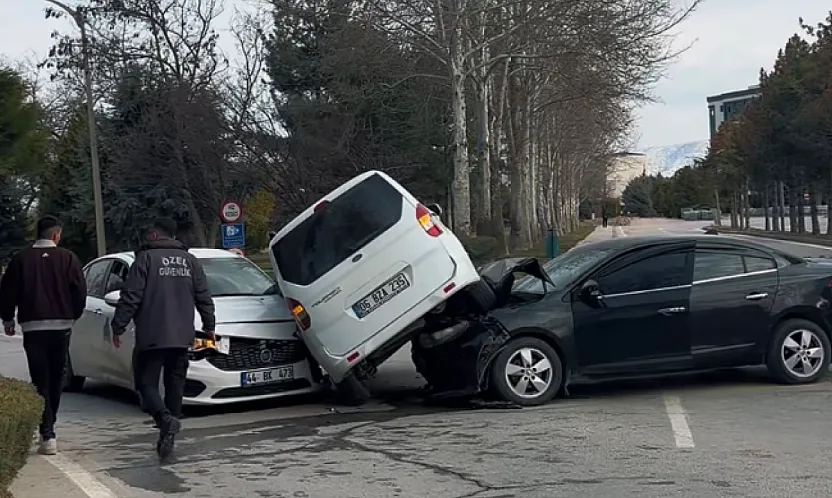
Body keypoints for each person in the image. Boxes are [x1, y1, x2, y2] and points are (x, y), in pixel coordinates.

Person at [110, 217, 215, 460]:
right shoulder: (190, 261)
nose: (147, 238)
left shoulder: (145, 260)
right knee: (175, 383)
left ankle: (164, 419)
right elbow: (203, 295)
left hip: (152, 335)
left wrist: (118, 326)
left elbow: (131, 296)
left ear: (156, 235)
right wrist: (210, 325)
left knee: (145, 383)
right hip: (182, 336)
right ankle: (170, 431)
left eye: (149, 234)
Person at [0, 215, 86, 455]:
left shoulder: (21, 259)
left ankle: (46, 430)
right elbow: (79, 290)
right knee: (57, 377)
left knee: (40, 379)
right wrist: (74, 315)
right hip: (61, 326)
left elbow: (7, 291)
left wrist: (7, 318)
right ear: (56, 235)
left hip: (32, 326)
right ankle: (49, 430)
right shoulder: (68, 258)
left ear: (37, 234)